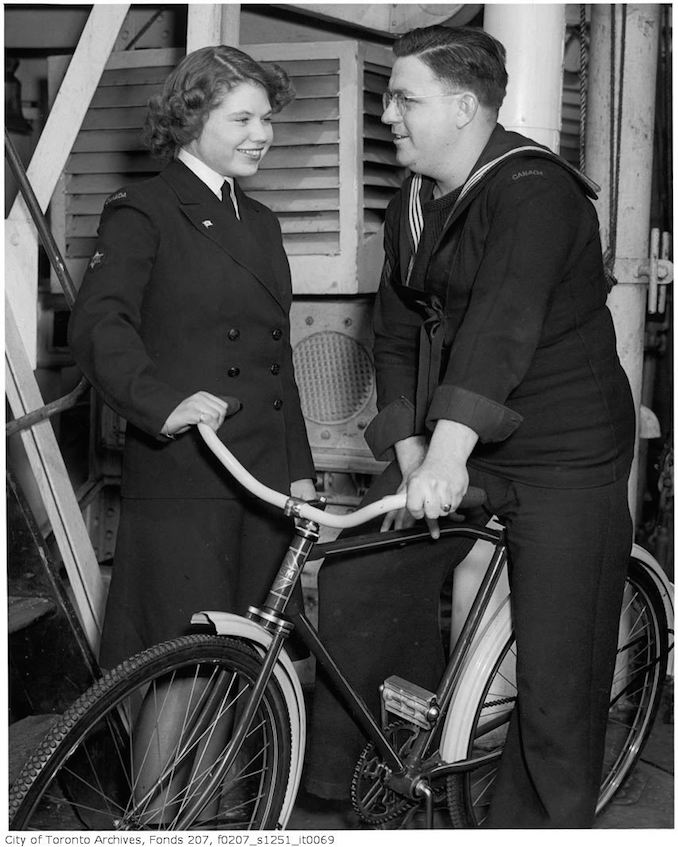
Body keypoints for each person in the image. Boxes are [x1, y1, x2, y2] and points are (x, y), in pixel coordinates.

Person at [305, 25, 635, 829]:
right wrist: (414, 450)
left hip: (564, 449)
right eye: (389, 97)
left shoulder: (534, 192)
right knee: (358, 574)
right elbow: (390, 335)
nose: (388, 114)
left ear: (463, 106)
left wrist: (447, 453)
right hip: (459, 434)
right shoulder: (412, 202)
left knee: (557, 667)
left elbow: (501, 326)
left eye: (404, 98)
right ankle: (367, 779)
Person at [69, 45, 316, 671]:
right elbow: (100, 325)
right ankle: (161, 779)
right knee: (179, 665)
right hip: (188, 471)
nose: (262, 135)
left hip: (262, 478)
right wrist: (162, 401)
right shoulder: (142, 210)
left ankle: (235, 778)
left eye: (266, 119)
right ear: (189, 118)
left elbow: (274, 357)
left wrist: (299, 470)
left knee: (246, 666)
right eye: (242, 119)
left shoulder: (260, 221)